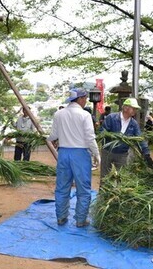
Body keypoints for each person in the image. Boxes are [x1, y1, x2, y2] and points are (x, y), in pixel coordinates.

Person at [47, 88, 101, 228]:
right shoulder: (85, 115)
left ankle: (61, 217)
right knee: (83, 189)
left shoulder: (58, 114)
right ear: (81, 99)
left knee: (62, 187)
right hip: (80, 154)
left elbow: (53, 135)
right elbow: (90, 137)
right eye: (85, 99)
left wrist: (48, 139)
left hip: (63, 153)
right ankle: (80, 220)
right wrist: (96, 153)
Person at [99, 98, 153, 185]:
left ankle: (119, 196)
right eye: (133, 108)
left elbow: (139, 138)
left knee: (122, 177)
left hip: (122, 154)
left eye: (136, 109)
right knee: (105, 177)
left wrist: (146, 154)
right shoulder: (111, 118)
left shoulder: (133, 123)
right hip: (107, 152)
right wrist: (113, 136)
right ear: (125, 108)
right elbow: (102, 132)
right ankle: (102, 196)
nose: (135, 110)